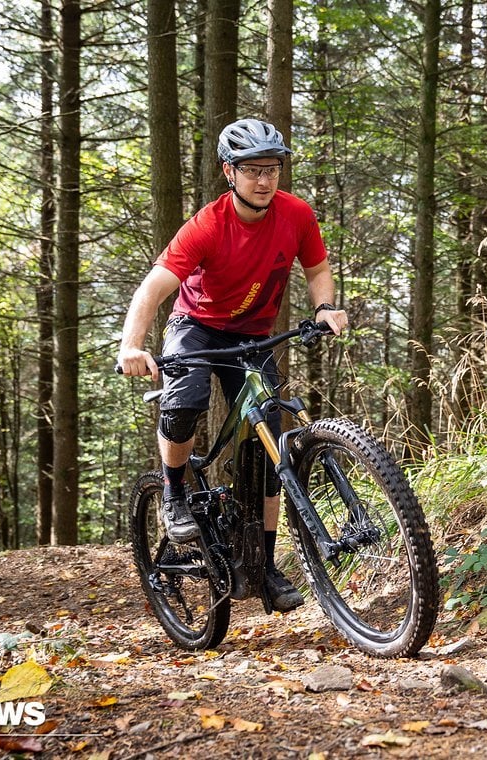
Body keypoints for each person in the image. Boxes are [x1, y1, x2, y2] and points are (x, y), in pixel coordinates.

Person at [116, 118, 348, 613]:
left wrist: (325, 307)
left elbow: (318, 270)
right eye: (251, 170)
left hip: (252, 335)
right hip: (195, 327)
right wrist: (131, 345)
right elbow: (153, 289)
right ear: (229, 171)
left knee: (269, 450)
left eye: (272, 169)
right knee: (186, 402)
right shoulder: (207, 225)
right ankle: (174, 494)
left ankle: (263, 569)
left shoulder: (297, 215)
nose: (264, 180)